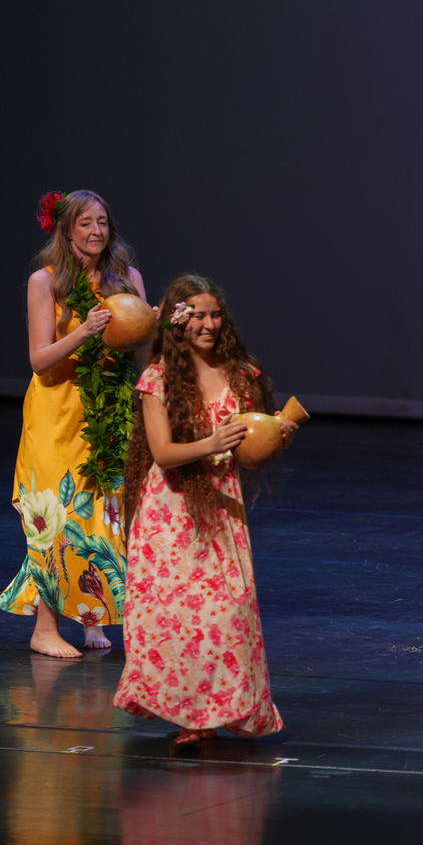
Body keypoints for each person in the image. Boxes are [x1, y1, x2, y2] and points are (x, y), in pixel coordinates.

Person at [112, 274, 292, 747]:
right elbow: (164, 453)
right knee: (178, 618)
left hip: (221, 506)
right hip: (170, 512)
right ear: (178, 321)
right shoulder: (159, 378)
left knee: (225, 613)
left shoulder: (241, 373)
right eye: (198, 316)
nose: (209, 323)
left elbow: (251, 444)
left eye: (215, 315)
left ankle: (223, 709)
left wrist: (275, 435)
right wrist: (211, 442)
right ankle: (191, 718)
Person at [0, 190, 147, 658]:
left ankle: (92, 619)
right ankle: (44, 628)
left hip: (110, 412)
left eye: (102, 222)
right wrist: (85, 330)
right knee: (56, 518)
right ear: (66, 229)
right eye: (85, 223)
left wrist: (158, 325)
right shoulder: (45, 282)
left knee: (103, 516)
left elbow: (141, 353)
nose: (96, 231)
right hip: (56, 414)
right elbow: (40, 361)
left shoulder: (128, 278)